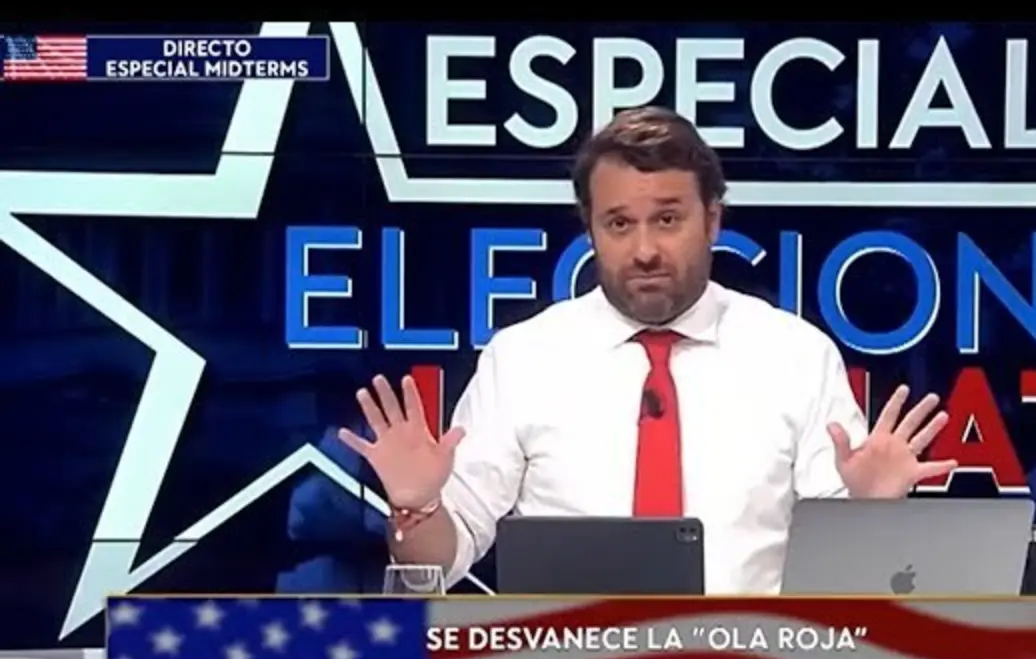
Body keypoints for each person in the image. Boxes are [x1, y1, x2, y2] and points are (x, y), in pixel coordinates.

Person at [339, 106, 958, 593]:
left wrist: (870, 514)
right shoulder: (524, 358)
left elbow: (846, 588)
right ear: (590, 229)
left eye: (667, 220)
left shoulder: (794, 355)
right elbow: (441, 561)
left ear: (712, 220)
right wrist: (417, 507)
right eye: (619, 224)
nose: (643, 251)